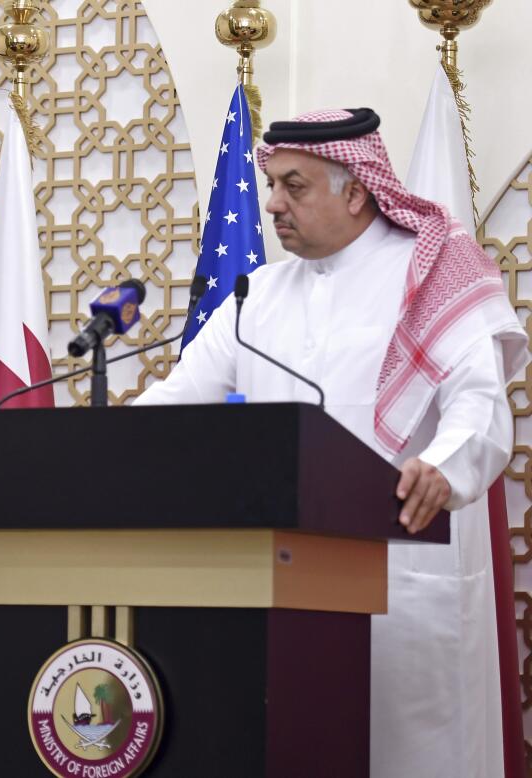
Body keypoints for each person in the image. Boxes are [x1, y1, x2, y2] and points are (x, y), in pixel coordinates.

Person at [137, 108, 527, 777]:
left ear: (356, 190)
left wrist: (439, 465)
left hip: (404, 574)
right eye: (271, 186)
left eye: (295, 186)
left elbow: (480, 404)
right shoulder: (254, 295)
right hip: (277, 587)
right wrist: (89, 443)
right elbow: (176, 406)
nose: (273, 205)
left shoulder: (432, 275)